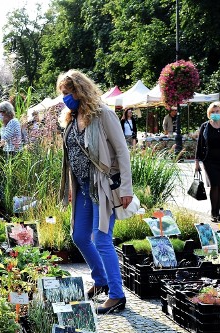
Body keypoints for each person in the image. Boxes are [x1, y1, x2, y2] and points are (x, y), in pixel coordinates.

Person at [57, 69, 134, 314]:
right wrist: (72, 187)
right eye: (63, 94)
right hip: (82, 188)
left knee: (101, 238)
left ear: (81, 91)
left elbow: (122, 151)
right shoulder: (71, 118)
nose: (65, 98)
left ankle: (117, 295)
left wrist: (126, 188)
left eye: (68, 93)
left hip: (104, 187)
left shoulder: (103, 115)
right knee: (80, 236)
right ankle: (100, 280)